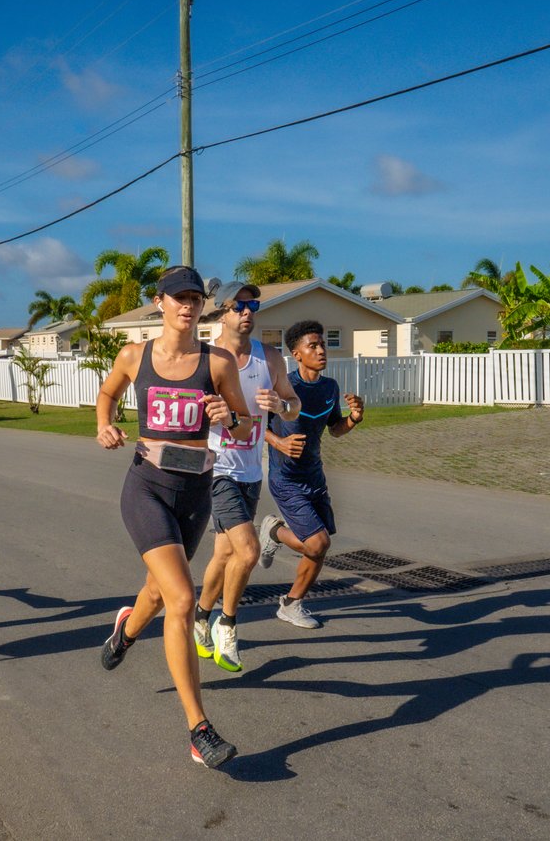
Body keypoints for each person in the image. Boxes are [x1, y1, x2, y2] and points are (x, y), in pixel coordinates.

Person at [94, 265, 256, 769]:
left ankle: (125, 631)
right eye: (178, 298)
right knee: (182, 598)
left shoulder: (219, 363)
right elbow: (107, 394)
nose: (187, 306)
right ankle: (198, 730)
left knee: (158, 593)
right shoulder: (134, 356)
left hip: (196, 492)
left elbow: (246, 423)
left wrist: (228, 418)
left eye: (194, 299)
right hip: (146, 487)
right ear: (159, 303)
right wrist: (104, 424)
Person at [193, 281, 301, 673]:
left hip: (251, 470)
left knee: (225, 553)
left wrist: (281, 404)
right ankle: (228, 624)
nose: (247, 312)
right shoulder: (204, 357)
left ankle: (200, 617)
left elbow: (293, 406)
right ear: (221, 312)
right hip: (216, 467)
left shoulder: (268, 358)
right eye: (238, 306)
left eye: (252, 304)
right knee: (249, 551)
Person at [258, 320, 365, 629]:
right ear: (296, 354)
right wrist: (278, 442)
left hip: (315, 477)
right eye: (313, 346)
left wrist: (355, 418)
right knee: (317, 544)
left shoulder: (329, 388)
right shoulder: (284, 387)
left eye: (323, 345)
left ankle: (292, 603)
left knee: (318, 548)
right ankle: (275, 532)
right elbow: (255, 425)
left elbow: (335, 430)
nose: (321, 351)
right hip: (286, 479)